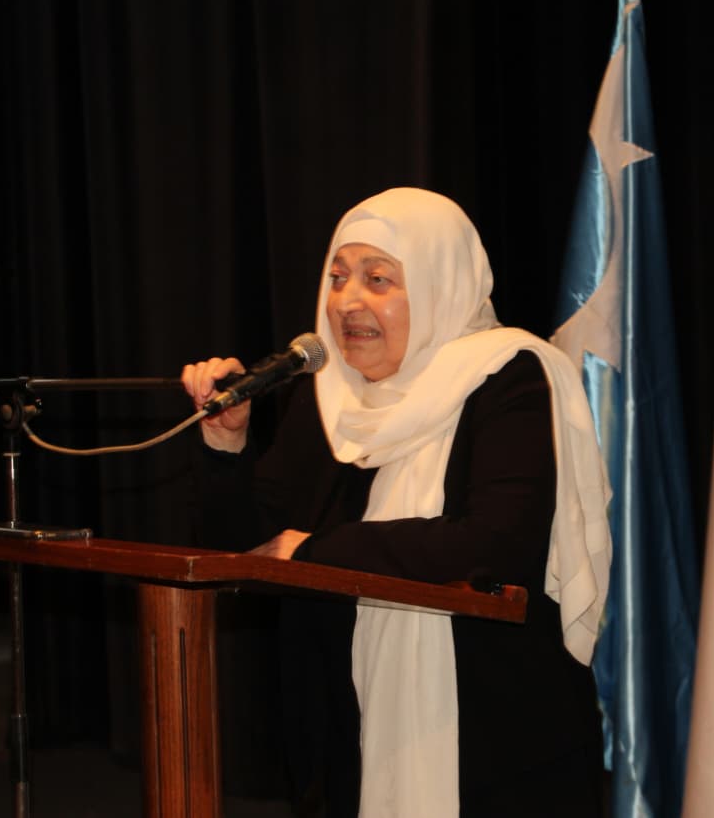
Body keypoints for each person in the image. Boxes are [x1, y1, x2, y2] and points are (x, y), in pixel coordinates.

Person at [182, 187, 612, 817]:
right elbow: (247, 546)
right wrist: (227, 446)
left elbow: (495, 543)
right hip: (341, 736)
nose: (347, 300)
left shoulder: (509, 378)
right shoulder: (326, 397)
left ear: (441, 284)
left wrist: (318, 552)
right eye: (337, 277)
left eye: (378, 279)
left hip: (491, 741)